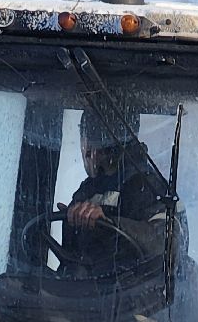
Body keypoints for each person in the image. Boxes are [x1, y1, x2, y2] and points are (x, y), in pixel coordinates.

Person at [62, 107, 171, 275]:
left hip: (137, 288)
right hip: (87, 288)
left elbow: (166, 243)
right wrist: (69, 219)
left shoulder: (152, 188)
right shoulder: (86, 192)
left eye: (92, 141)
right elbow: (72, 258)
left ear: (92, 149)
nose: (87, 151)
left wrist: (109, 223)